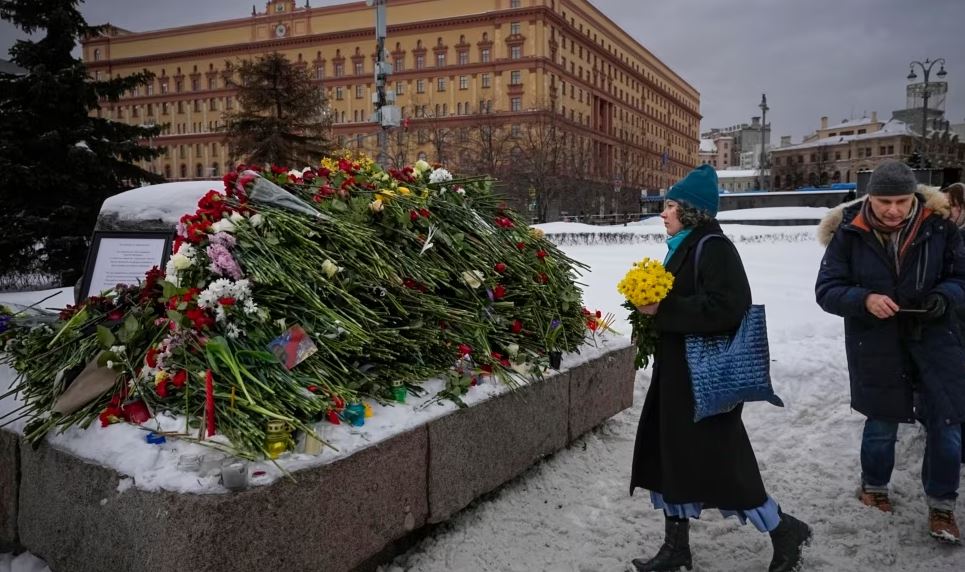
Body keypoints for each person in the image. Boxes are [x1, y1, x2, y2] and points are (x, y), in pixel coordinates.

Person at [630, 164, 812, 572]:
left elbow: (729, 307)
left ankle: (784, 530)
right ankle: (676, 549)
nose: (663, 212)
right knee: (670, 459)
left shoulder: (714, 248)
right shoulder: (685, 245)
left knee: (725, 467)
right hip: (679, 374)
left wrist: (664, 309)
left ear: (691, 211)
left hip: (704, 379)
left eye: (671, 205)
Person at [815, 161, 965, 544]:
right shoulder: (849, 232)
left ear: (914, 197)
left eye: (901, 200)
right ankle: (874, 487)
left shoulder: (940, 226)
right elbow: (827, 289)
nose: (893, 210)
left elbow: (961, 278)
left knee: (946, 424)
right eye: (884, 201)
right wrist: (864, 299)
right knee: (881, 422)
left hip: (936, 340)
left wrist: (943, 298)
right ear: (871, 198)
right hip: (876, 342)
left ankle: (942, 504)